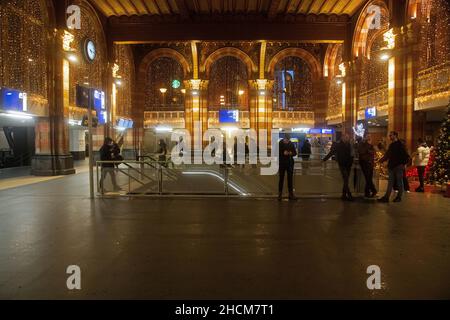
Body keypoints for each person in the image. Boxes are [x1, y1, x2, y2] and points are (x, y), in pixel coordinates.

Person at [378, 131, 410, 203]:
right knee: (391, 182)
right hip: (392, 166)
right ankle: (387, 197)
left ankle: (398, 197)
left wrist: (403, 164)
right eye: (389, 136)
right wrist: (381, 160)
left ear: (395, 136)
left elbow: (405, 155)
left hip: (398, 166)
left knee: (399, 182)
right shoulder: (393, 145)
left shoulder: (400, 144)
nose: (390, 137)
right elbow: (388, 154)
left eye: (391, 135)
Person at [323, 133, 355, 201]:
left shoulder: (349, 144)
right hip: (342, 164)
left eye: (348, 137)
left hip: (348, 164)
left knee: (346, 180)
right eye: (346, 137)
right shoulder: (338, 145)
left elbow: (351, 154)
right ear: (342, 137)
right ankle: (349, 194)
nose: (347, 138)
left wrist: (351, 161)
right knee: (346, 179)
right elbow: (331, 152)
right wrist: (324, 159)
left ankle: (343, 195)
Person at [278, 134, 297, 201]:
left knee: (290, 179)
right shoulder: (280, 144)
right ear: (284, 139)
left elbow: (295, 153)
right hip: (282, 163)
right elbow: (276, 153)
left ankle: (291, 194)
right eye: (286, 140)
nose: (287, 141)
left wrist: (290, 153)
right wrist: (283, 153)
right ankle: (280, 194)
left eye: (288, 140)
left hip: (289, 163)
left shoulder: (291, 144)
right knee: (281, 179)